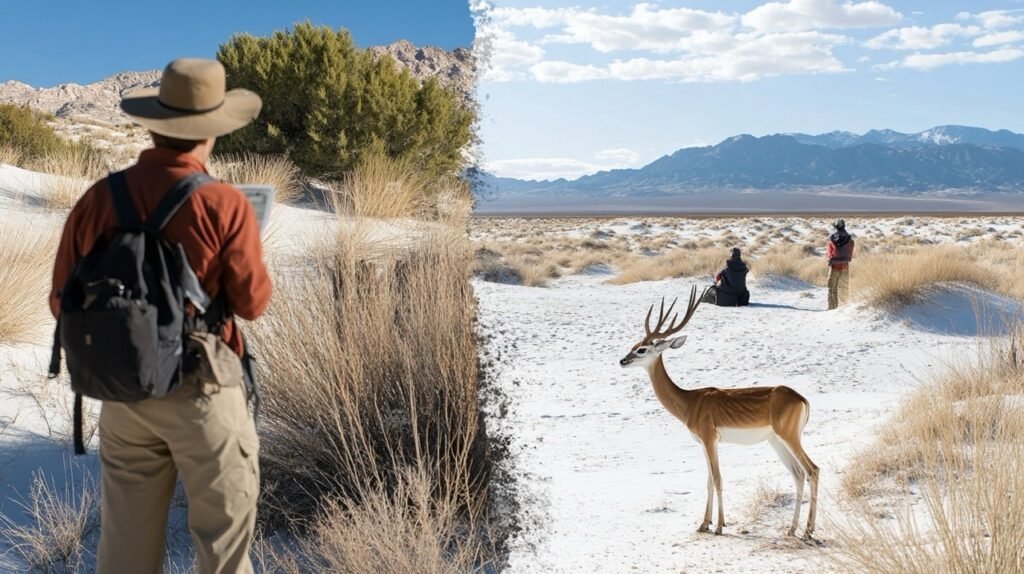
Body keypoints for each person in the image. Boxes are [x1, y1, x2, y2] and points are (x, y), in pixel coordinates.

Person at [50, 59, 271, 573]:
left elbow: (60, 301)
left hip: (123, 393)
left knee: (125, 551)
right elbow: (252, 304)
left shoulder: (97, 199)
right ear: (211, 132)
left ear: (153, 125)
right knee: (223, 545)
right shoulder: (224, 203)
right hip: (203, 391)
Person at [826, 218, 854, 310]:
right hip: (845, 265)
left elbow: (830, 253)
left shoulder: (832, 238)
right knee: (844, 288)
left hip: (834, 266)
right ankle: (843, 308)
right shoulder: (849, 238)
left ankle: (832, 308)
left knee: (832, 288)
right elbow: (850, 252)